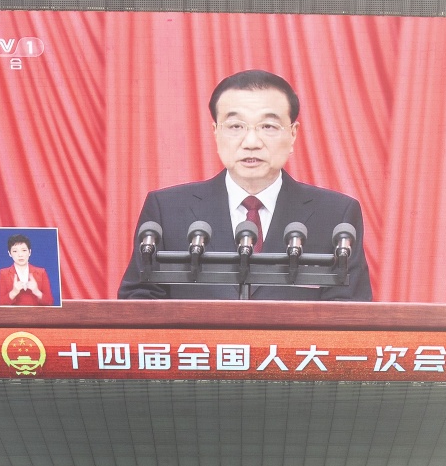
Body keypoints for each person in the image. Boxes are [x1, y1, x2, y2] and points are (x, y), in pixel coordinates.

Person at [116, 69, 372, 301]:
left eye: (268, 126)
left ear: (293, 134)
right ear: (216, 132)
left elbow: (350, 311)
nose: (251, 142)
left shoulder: (335, 215)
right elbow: (139, 302)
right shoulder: (167, 210)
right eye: (236, 126)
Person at [0, 233, 54, 305]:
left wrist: (36, 291)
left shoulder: (41, 272)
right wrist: (14, 292)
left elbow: (50, 302)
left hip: (36, 315)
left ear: (30, 252)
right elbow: (0, 303)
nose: (20, 255)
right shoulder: (3, 273)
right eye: (15, 251)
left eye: (24, 250)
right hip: (14, 315)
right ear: (9, 253)